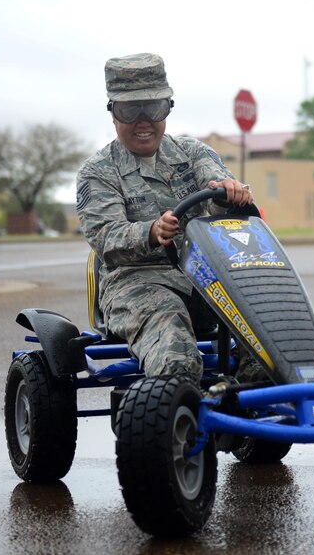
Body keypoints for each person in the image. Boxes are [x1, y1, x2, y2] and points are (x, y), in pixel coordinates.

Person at [76, 53, 254, 382]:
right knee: (178, 358)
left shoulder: (194, 153)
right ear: (113, 114)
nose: (144, 121)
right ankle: (175, 418)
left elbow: (217, 192)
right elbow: (105, 238)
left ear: (167, 109)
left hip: (207, 281)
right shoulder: (98, 173)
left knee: (267, 337)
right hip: (136, 285)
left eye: (154, 108)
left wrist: (231, 195)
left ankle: (256, 410)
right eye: (131, 110)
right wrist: (151, 231)